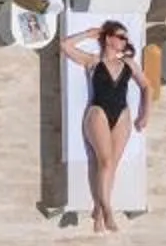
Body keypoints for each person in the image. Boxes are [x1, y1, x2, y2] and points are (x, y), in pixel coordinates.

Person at [57, 19, 145, 232]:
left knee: (111, 165)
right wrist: (88, 33)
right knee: (105, 162)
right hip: (98, 113)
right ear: (109, 38)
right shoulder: (93, 62)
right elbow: (65, 46)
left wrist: (144, 115)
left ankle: (98, 210)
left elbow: (146, 87)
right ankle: (107, 209)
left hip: (121, 115)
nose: (125, 41)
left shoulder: (129, 64)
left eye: (126, 38)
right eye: (121, 36)